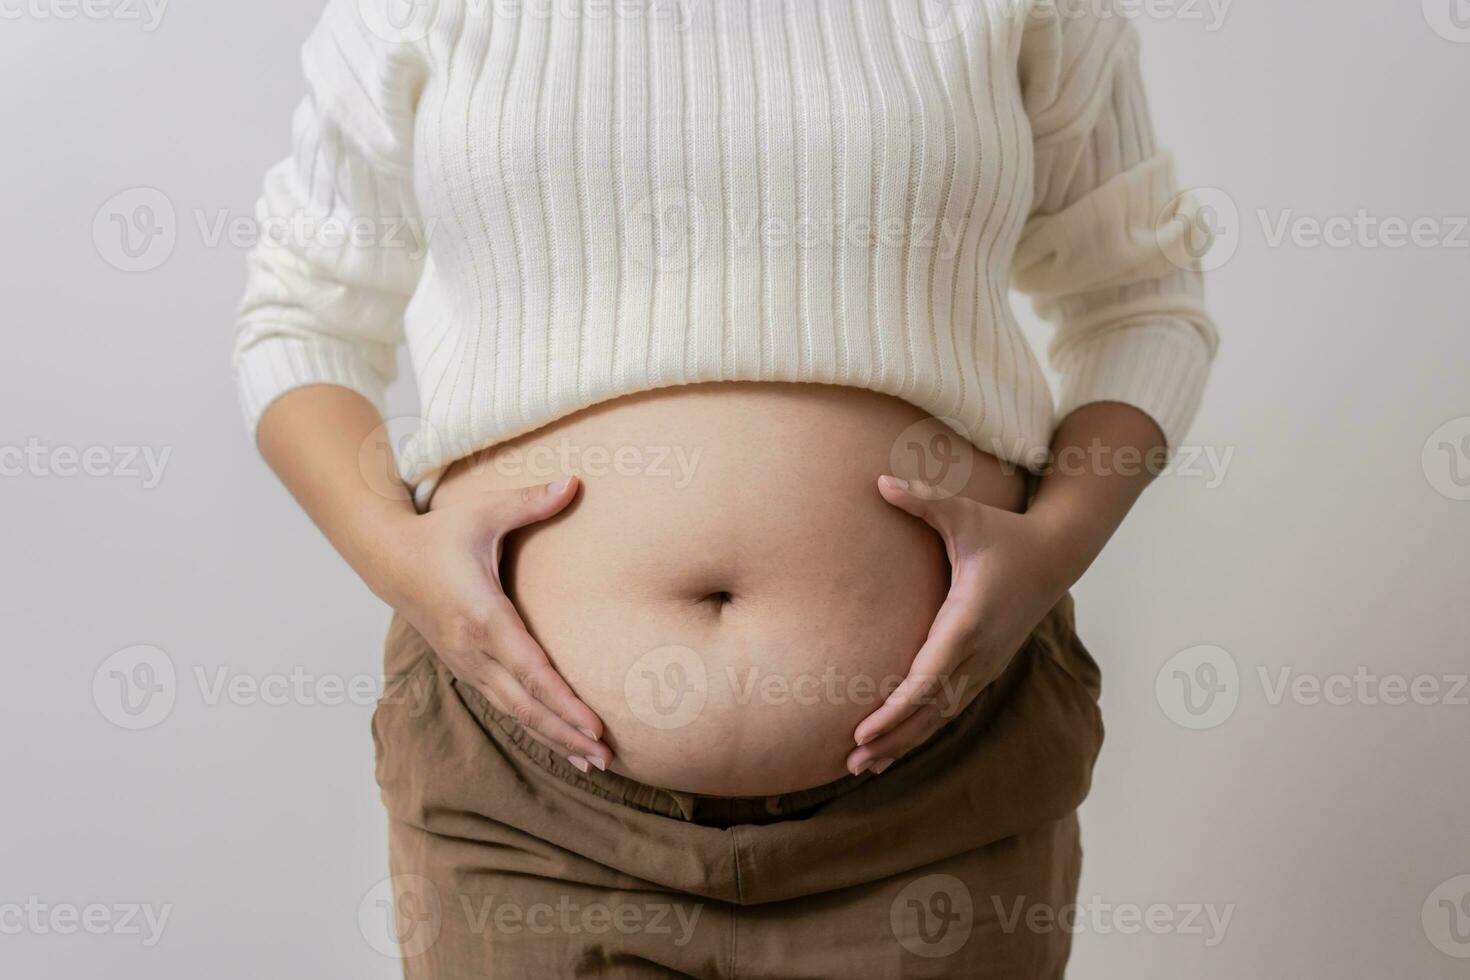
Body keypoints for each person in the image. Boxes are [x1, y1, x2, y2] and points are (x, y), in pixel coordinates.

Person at [234, 0, 1218, 975]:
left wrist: (1057, 542)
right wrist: (400, 558)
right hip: (527, 815)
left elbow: (1141, 299)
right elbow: (298, 317)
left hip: (941, 793)